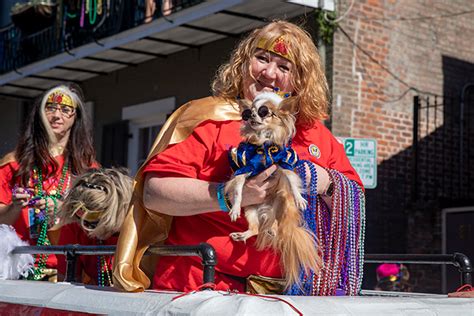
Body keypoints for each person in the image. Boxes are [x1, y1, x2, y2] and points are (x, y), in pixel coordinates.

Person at [113, 20, 365, 296]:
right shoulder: (207, 119)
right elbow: (154, 194)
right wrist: (232, 195)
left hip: (290, 295)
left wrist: (325, 181)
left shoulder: (315, 134)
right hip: (202, 287)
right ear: (244, 63)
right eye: (262, 59)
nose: (269, 73)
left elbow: (356, 202)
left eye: (284, 67)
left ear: (300, 81)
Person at [0, 83, 96, 281]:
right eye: (50, 108)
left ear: (76, 116)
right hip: (19, 271)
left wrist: (65, 210)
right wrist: (14, 207)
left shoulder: (88, 169)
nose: (57, 115)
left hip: (69, 273)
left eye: (65, 109)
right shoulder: (13, 164)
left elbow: (98, 220)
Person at [56, 167, 132, 286]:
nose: (86, 228)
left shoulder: (141, 230)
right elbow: (66, 284)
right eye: (80, 218)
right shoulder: (74, 228)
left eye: (93, 221)